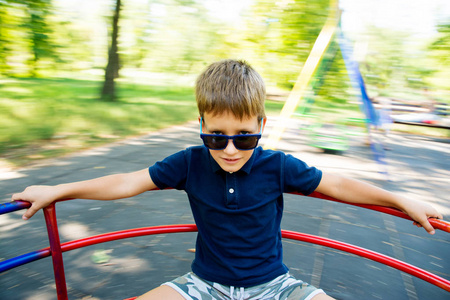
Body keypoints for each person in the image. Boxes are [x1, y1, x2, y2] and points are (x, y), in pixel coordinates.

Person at [12, 59, 442, 300]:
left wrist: (399, 198)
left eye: (245, 137)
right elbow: (126, 182)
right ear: (200, 124)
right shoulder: (189, 163)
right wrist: (57, 190)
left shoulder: (277, 166)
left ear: (262, 126)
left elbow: (340, 185)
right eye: (216, 136)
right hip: (202, 285)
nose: (231, 149)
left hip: (274, 286)